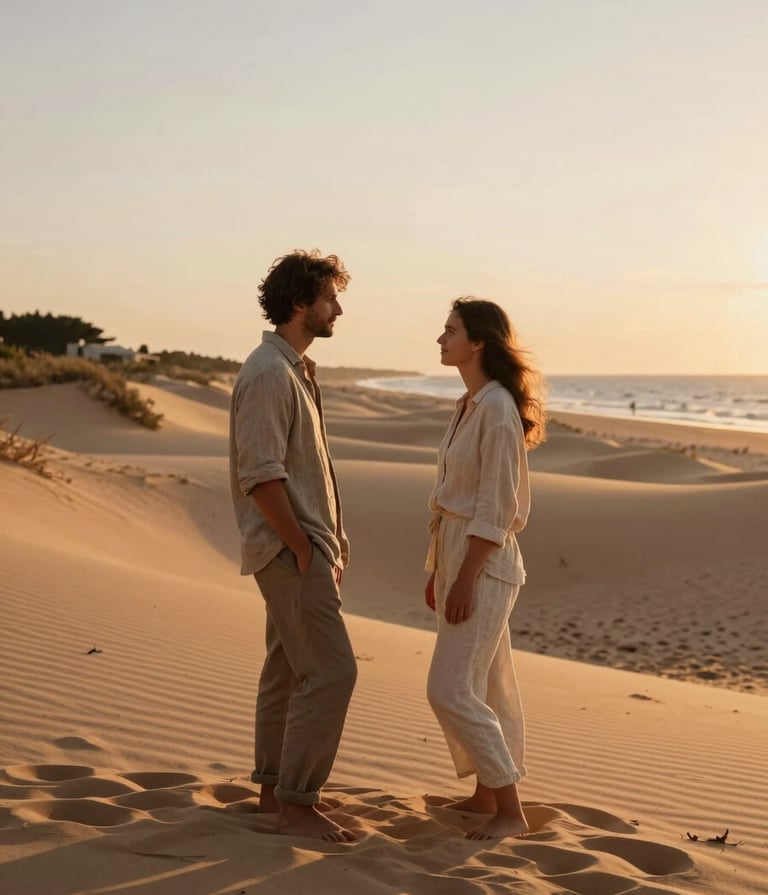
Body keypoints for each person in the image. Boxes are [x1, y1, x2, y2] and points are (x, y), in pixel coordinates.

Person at [229, 249, 358, 843]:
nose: (339, 308)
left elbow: (307, 470)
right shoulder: (268, 372)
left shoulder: (295, 370)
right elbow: (261, 474)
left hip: (303, 547)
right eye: (331, 297)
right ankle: (297, 805)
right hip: (288, 552)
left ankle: (272, 793)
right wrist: (303, 548)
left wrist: (330, 540)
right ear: (302, 303)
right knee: (331, 673)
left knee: (286, 669)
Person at [424, 297, 545, 841]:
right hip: (457, 550)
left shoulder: (495, 409)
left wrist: (466, 576)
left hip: (486, 560)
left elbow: (495, 508)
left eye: (450, 331)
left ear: (478, 343)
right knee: (487, 684)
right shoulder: (469, 403)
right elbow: (454, 496)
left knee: (449, 689)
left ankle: (511, 812)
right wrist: (438, 570)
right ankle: (484, 794)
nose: (440, 339)